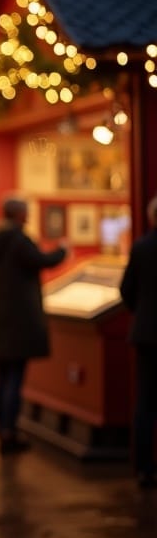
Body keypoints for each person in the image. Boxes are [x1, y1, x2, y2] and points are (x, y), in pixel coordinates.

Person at [0, 195, 67, 455]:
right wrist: (63, 249)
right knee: (14, 378)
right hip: (18, 324)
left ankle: (1, 427)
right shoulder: (18, 240)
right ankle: (9, 431)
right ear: (19, 214)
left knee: (2, 377)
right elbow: (43, 261)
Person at [119, 194, 157, 489]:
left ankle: (143, 468)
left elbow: (126, 289)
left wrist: (141, 314)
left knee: (144, 401)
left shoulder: (142, 246)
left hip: (145, 333)